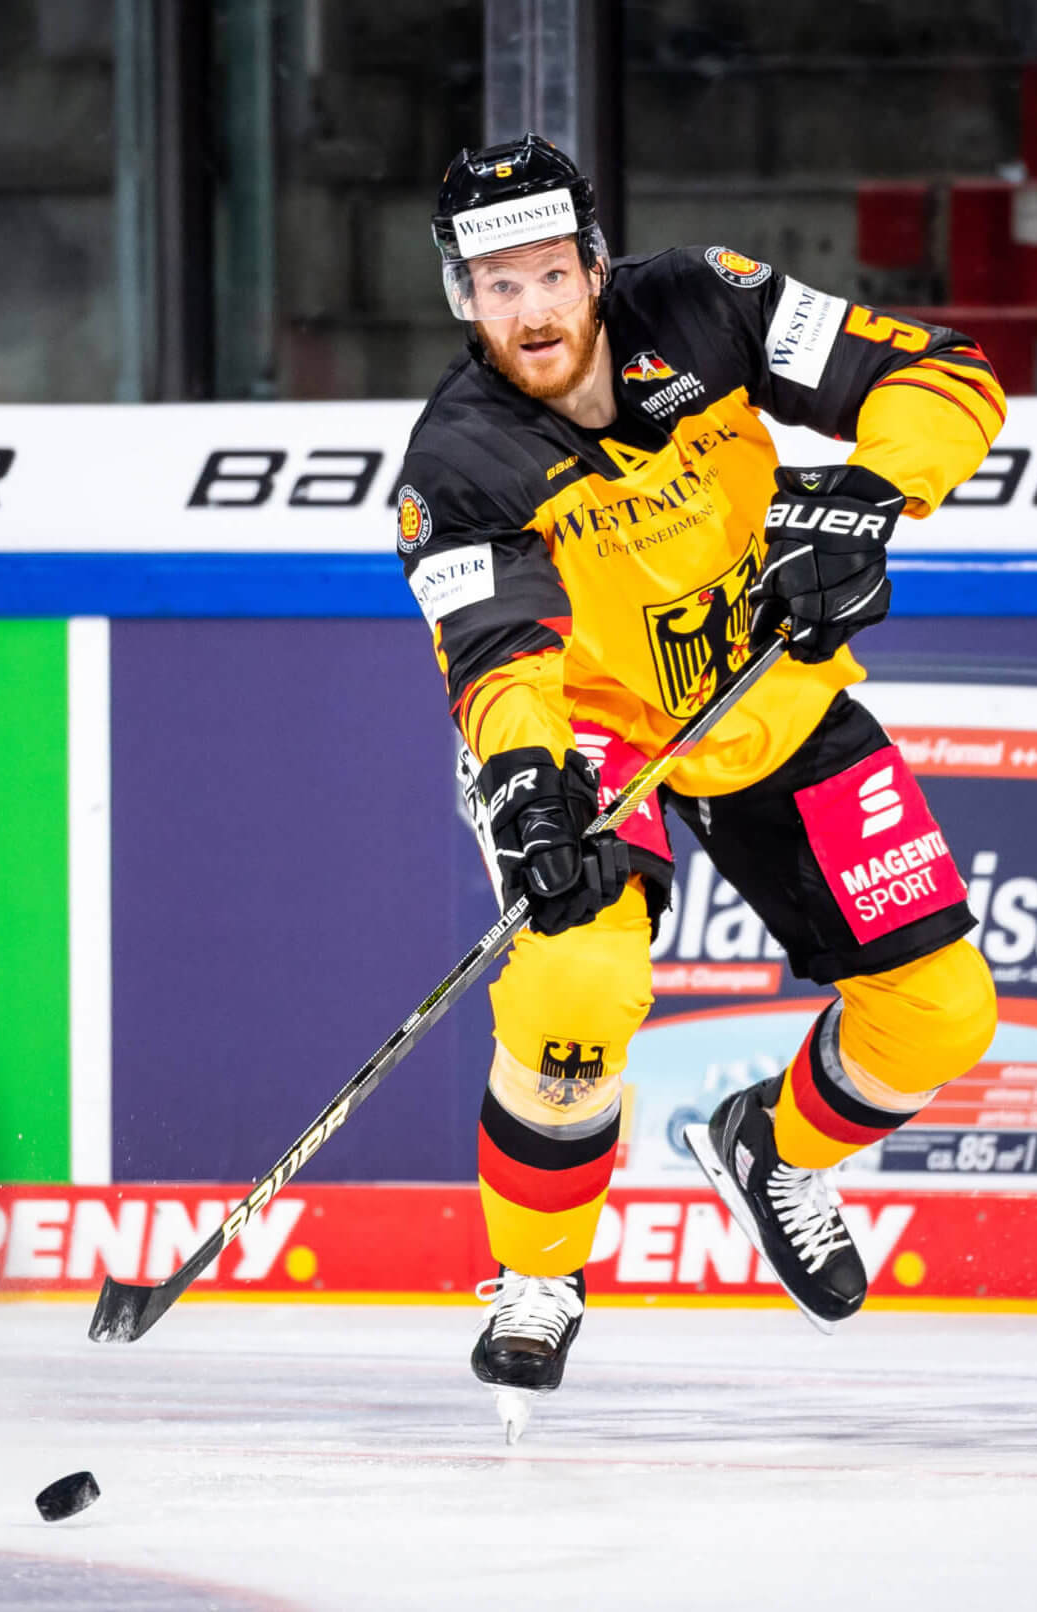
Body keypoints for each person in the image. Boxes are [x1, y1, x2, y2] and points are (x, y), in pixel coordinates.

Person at [398, 132, 1004, 1440]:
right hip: (598, 739)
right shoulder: (458, 458)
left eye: (548, 274)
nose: (529, 310)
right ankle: (537, 1278)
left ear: (594, 265)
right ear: (462, 299)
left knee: (941, 1016)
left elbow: (935, 375)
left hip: (769, 701)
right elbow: (499, 654)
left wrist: (863, 501)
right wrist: (521, 784)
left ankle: (774, 1150)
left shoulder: (704, 302)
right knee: (574, 989)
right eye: (494, 287)